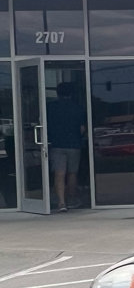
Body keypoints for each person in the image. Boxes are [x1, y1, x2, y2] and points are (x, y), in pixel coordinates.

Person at [46, 81, 85, 212]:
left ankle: (61, 203)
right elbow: (82, 128)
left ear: (58, 93)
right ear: (72, 93)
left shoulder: (50, 107)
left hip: (56, 144)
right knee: (72, 174)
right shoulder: (77, 108)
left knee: (59, 174)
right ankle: (72, 200)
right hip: (74, 144)